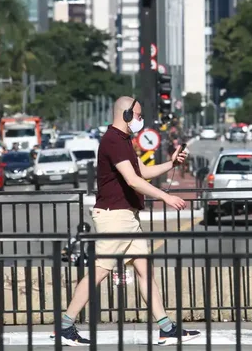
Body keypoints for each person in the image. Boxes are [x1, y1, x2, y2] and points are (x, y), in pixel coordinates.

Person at [55, 96, 200, 347]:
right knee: (99, 271)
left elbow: (142, 172)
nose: (141, 120)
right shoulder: (113, 141)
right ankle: (65, 327)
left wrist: (171, 163)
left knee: (145, 271)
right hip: (115, 217)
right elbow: (133, 181)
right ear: (126, 115)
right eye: (139, 116)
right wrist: (166, 196)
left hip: (127, 217)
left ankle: (167, 329)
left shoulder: (123, 140)